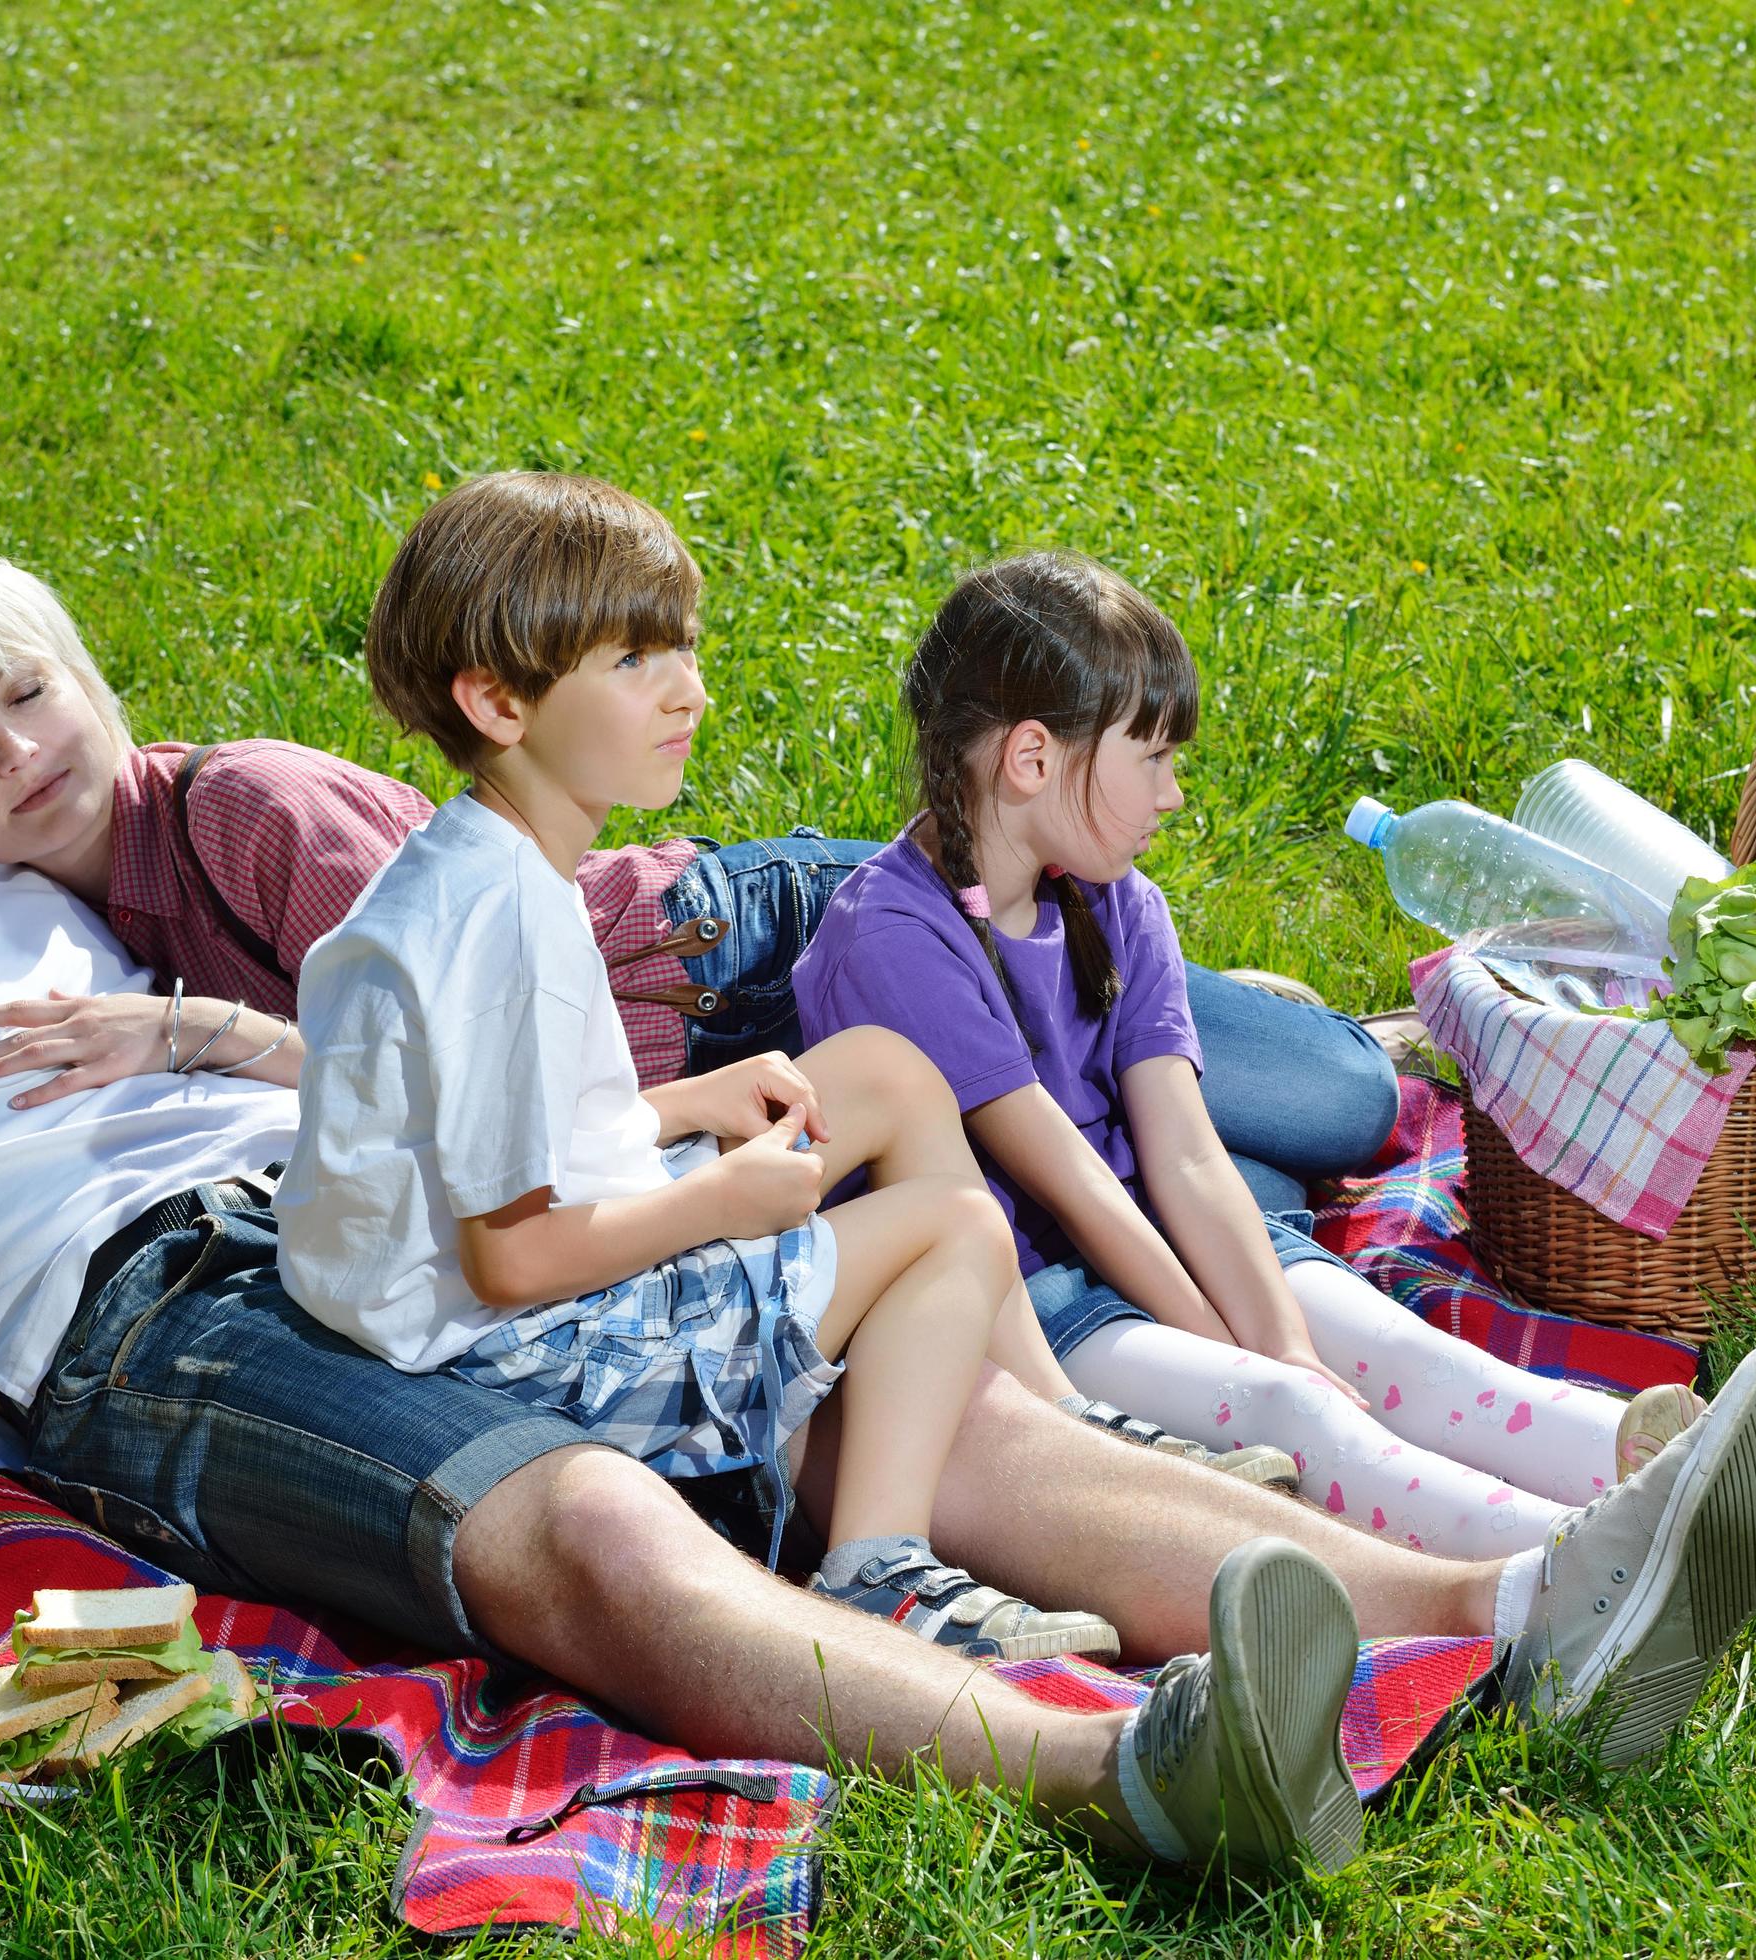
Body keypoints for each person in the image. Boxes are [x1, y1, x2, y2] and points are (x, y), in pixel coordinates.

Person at [0, 405, 1756, 1883]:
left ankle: (1531, 1616)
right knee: (577, 1514)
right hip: (116, 1306)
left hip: (334, 1164)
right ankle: (1117, 1776)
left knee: (928, 1369)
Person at [0, 551, 1284, 1486]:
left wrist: (195, 1036)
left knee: (1290, 1104)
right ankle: (1091, 1388)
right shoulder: (95, 917)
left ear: (87, 679)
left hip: (725, 950)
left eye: (31, 694)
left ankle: (1297, 1032)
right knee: (1075, 1131)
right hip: (664, 1070)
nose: (17, 754)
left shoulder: (245, 814)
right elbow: (440, 1083)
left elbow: (436, 1035)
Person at [792, 551, 1756, 1560]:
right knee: (1307, 1420)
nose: (1174, 794)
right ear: (1032, 757)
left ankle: (1742, 1465)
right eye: (1154, 758)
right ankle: (1592, 1564)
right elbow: (1072, 1187)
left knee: (1413, 1358)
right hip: (1038, 1317)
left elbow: (1184, 1159)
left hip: (1159, 1248)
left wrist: (1279, 1325)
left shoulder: (1118, 902)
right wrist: (1249, 1356)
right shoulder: (894, 936)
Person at [276, 469, 1139, 1656]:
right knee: (955, 1225)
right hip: (520, 1354)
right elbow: (512, 1254)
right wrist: (716, 1201)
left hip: (467, 1289)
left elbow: (488, 1126)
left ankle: (1061, 1418)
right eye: (633, 661)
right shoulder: (508, 929)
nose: (689, 689)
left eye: (680, 646)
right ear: (498, 702)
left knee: (883, 1068)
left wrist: (687, 1101)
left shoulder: (483, 867)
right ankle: (877, 1572)